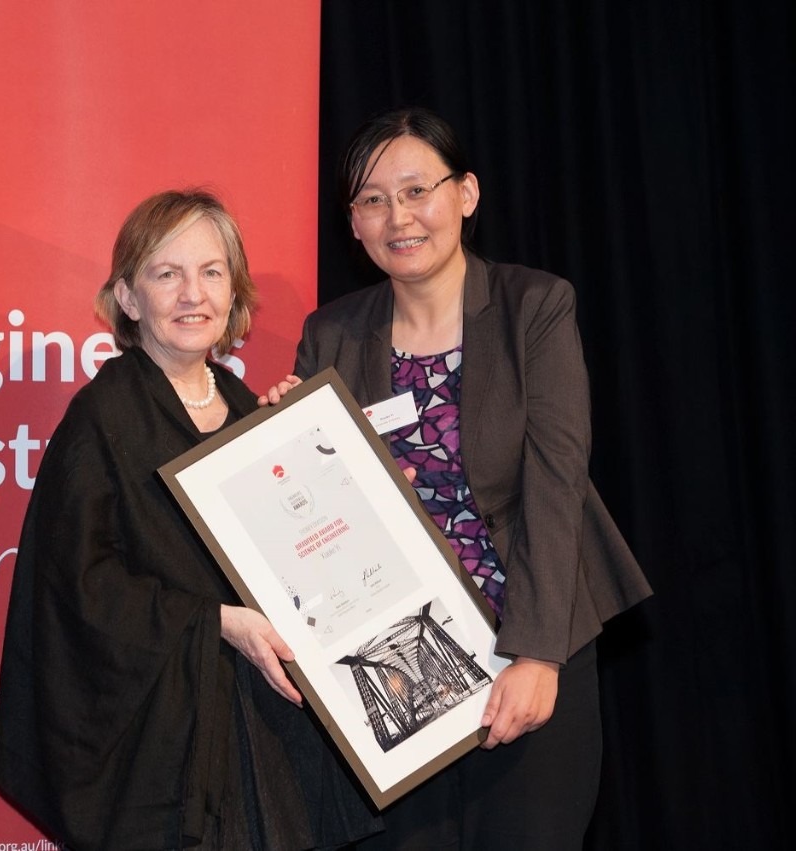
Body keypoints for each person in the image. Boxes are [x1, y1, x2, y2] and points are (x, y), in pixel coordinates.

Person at [263, 107, 654, 849]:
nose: (398, 217)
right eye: (372, 199)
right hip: (397, 672)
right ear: (352, 222)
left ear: (466, 194)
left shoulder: (532, 306)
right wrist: (284, 433)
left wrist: (537, 653)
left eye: (417, 191)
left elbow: (555, 482)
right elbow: (315, 513)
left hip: (530, 639)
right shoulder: (332, 333)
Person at [0, 189, 383, 850]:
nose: (191, 293)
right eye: (165, 273)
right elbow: (79, 588)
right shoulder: (102, 418)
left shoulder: (244, 408)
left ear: (234, 293)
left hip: (259, 735)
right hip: (161, 752)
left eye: (211, 271)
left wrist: (319, 447)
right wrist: (218, 622)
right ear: (128, 297)